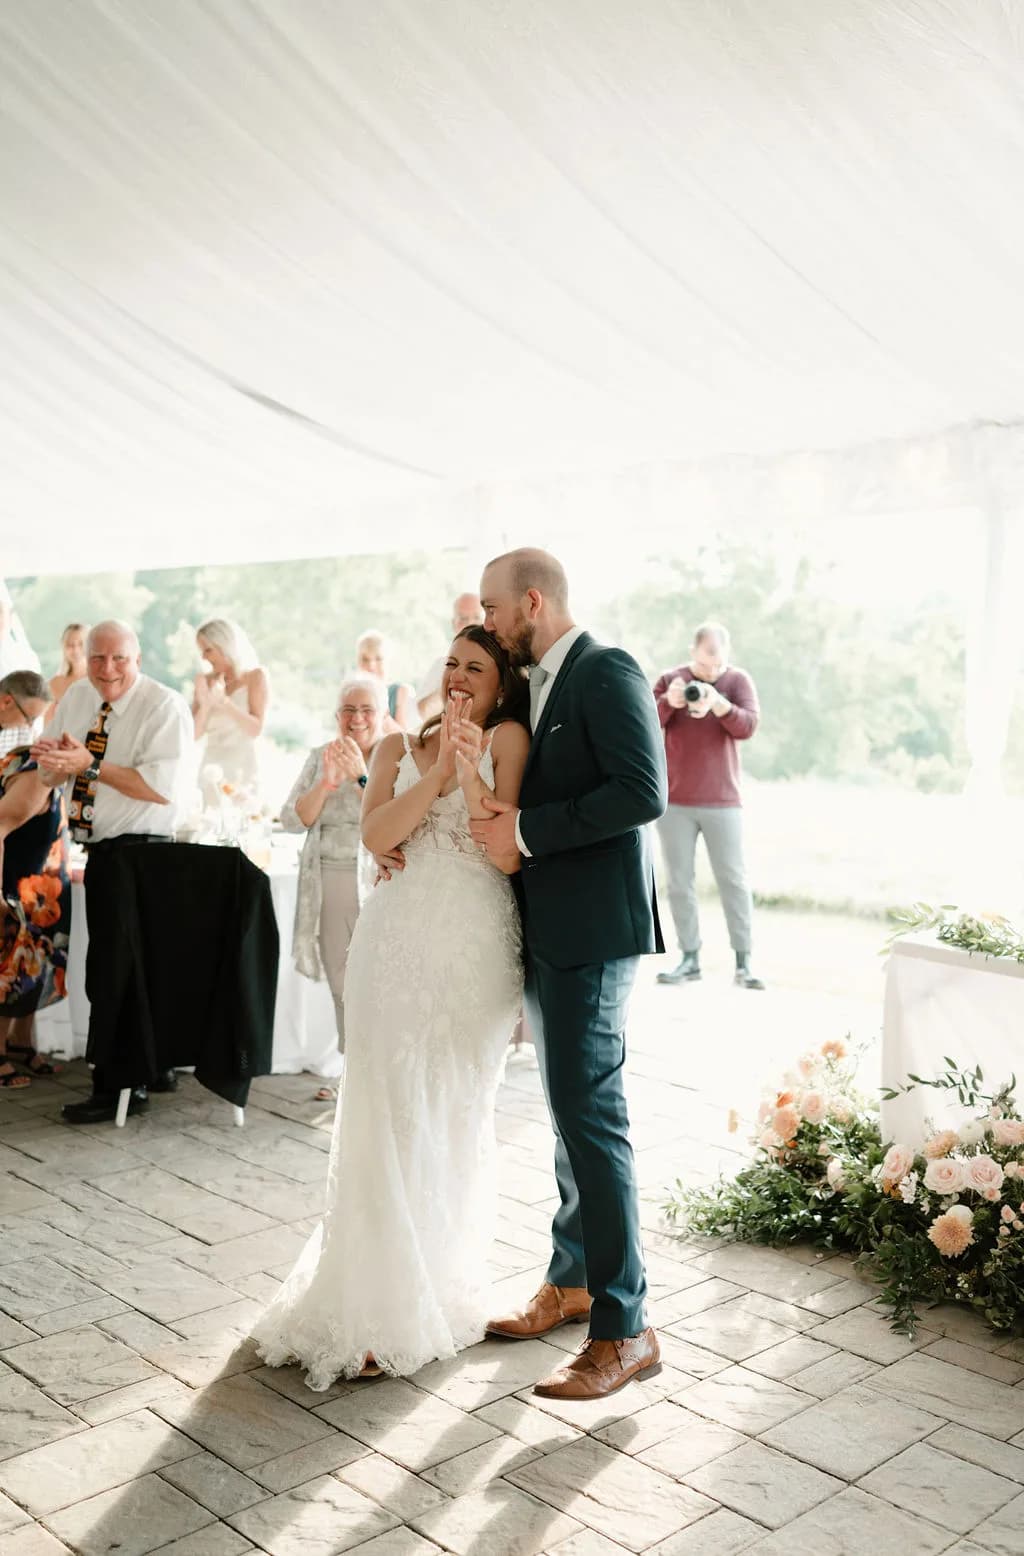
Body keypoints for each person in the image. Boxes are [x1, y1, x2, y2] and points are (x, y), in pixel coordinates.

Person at [253, 626, 530, 1386]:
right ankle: (370, 1305)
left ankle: (432, 1289)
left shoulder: (510, 738)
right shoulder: (392, 747)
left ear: (502, 684)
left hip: (472, 943)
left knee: (449, 1110)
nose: (460, 677)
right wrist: (437, 772)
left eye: (477, 668)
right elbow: (377, 832)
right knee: (383, 1108)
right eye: (451, 663)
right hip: (394, 940)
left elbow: (500, 848)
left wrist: (469, 776)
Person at [470, 548, 668, 1402]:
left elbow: (641, 790)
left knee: (593, 1118)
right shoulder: (534, 684)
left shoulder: (605, 668)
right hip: (550, 931)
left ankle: (627, 1330)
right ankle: (575, 1278)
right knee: (565, 1111)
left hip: (595, 931)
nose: (482, 619)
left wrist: (528, 831)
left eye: (491, 604)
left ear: (533, 601)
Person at [31, 620, 193, 1124]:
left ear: (138, 659)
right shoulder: (78, 698)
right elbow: (60, 771)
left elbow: (162, 787)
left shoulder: (163, 706)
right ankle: (149, 1069)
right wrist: (54, 765)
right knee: (115, 971)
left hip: (144, 854)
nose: (107, 669)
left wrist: (88, 765)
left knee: (117, 974)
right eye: (98, 658)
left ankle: (121, 1086)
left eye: (119, 658)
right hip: (98, 851)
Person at [282, 674, 385, 1099]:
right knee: (341, 982)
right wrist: (326, 781)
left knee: (379, 979)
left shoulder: (394, 755)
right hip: (327, 879)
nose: (356, 718)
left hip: (378, 878)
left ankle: (379, 1074)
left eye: (366, 709)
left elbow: (392, 819)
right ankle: (353, 1074)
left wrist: (361, 777)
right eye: (348, 709)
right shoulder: (318, 755)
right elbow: (293, 819)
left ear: (382, 715)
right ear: (336, 715)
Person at [652, 623, 764, 990]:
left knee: (734, 880)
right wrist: (671, 701)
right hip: (676, 802)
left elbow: (748, 726)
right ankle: (689, 958)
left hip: (723, 801)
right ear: (693, 652)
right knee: (680, 883)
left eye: (718, 664)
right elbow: (645, 722)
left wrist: (721, 704)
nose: (711, 672)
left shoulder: (737, 682)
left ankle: (744, 962)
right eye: (706, 662)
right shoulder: (672, 679)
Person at [0, 671, 69, 1087]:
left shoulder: (50, 764)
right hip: (20, 885)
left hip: (46, 885)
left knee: (38, 968)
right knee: (10, 968)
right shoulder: (32, 764)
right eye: (30, 718)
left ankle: (24, 1044)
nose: (33, 728)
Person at [192, 618, 269, 804]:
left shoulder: (255, 677)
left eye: (208, 650)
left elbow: (255, 730)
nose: (203, 657)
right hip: (210, 769)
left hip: (243, 769)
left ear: (226, 646)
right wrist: (204, 705)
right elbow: (194, 734)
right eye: (201, 651)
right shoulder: (205, 681)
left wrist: (225, 703)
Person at [416, 593, 485, 720]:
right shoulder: (442, 664)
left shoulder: (501, 661)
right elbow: (424, 711)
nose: (470, 625)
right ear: (454, 624)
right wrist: (451, 685)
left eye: (476, 618)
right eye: (463, 619)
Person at [0, 599, 42, 755]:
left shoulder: (25, 655)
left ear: (9, 617)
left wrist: (34, 728)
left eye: (0, 614)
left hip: (20, 729)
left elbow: (38, 696)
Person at [355, 630, 416, 731]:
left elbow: (406, 738)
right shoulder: (352, 694)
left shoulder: (400, 691)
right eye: (365, 659)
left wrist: (383, 716)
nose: (371, 666)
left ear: (388, 661)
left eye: (378, 659)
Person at [46, 622, 89, 724]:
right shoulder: (55, 683)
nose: (75, 649)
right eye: (70, 645)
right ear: (63, 647)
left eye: (81, 644)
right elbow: (47, 724)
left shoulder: (99, 680)